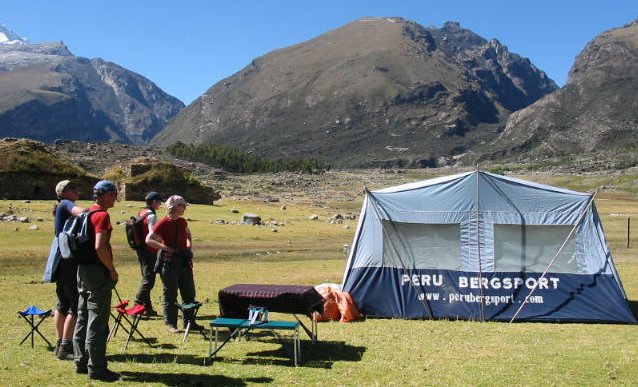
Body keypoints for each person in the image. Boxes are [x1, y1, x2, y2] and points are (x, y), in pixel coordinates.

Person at [73, 180, 120, 382]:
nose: (115, 199)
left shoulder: (86, 212)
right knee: (98, 320)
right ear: (106, 195)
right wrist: (111, 268)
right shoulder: (102, 215)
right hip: (97, 271)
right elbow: (100, 246)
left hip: (82, 270)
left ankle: (80, 361)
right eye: (114, 195)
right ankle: (97, 367)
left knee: (82, 315)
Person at [145, 195, 202, 333]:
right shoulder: (163, 223)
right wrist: (166, 248)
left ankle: (190, 322)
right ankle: (171, 324)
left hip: (184, 260)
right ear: (175, 207)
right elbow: (149, 240)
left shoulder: (182, 222)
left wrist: (189, 246)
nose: (185, 208)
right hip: (169, 262)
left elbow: (188, 234)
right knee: (170, 293)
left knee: (189, 292)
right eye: (183, 206)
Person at [44, 180, 84, 360]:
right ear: (64, 193)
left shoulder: (61, 207)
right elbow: (81, 213)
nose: (76, 191)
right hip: (69, 261)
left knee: (62, 302)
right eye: (73, 188)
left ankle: (60, 343)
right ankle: (67, 347)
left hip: (61, 261)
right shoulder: (66, 204)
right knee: (75, 305)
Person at [133, 191, 163, 316]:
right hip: (149, 250)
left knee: (146, 277)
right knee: (149, 280)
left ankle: (147, 308)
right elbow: (152, 233)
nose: (160, 204)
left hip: (140, 250)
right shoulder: (151, 215)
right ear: (154, 201)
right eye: (159, 201)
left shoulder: (142, 212)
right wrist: (162, 241)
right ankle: (137, 305)